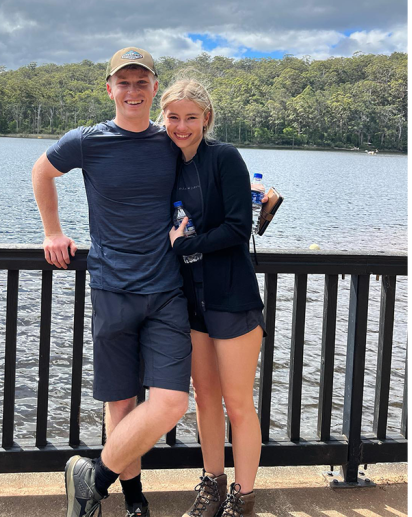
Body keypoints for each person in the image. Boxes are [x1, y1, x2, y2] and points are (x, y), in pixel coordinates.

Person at [32, 47, 189, 517]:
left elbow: (205, 182)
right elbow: (42, 172)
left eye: (142, 82)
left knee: (171, 401)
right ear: (109, 89)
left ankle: (92, 480)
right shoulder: (87, 141)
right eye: (124, 82)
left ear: (154, 89)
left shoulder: (171, 143)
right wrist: (52, 231)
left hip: (166, 288)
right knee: (120, 399)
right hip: (111, 286)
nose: (133, 91)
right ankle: (133, 497)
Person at [160, 78, 265, 517]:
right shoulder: (166, 162)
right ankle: (213, 486)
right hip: (192, 300)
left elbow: (239, 227)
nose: (181, 126)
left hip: (232, 296)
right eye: (173, 117)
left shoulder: (225, 157)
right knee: (204, 398)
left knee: (237, 403)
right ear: (162, 118)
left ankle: (242, 496)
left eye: (190, 117)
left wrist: (184, 245)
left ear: (207, 118)